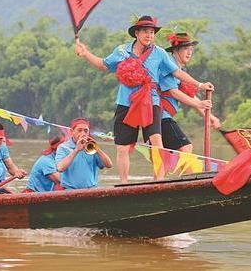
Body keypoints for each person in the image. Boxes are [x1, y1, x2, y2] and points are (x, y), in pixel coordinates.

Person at [75, 15, 214, 183]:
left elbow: (177, 72)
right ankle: (124, 183)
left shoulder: (160, 53)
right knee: (122, 147)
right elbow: (102, 64)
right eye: (146, 32)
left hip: (151, 102)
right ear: (137, 33)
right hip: (126, 102)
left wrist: (200, 85)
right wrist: (85, 53)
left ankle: (159, 181)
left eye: (152, 32)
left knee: (157, 144)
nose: (149, 35)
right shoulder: (121, 51)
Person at [159, 32, 221, 153]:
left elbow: (191, 96)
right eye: (186, 49)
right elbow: (174, 92)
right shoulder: (168, 66)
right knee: (186, 148)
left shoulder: (179, 71)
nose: (189, 52)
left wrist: (211, 117)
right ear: (175, 50)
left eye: (191, 49)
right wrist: (199, 104)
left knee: (165, 157)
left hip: (163, 116)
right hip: (160, 115)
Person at [55, 118, 112, 190]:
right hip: (70, 190)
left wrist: (97, 149)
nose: (83, 133)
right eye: (79, 130)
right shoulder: (63, 147)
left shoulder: (91, 146)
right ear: (72, 131)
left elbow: (109, 165)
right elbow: (60, 168)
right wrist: (76, 150)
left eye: (86, 131)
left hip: (91, 190)